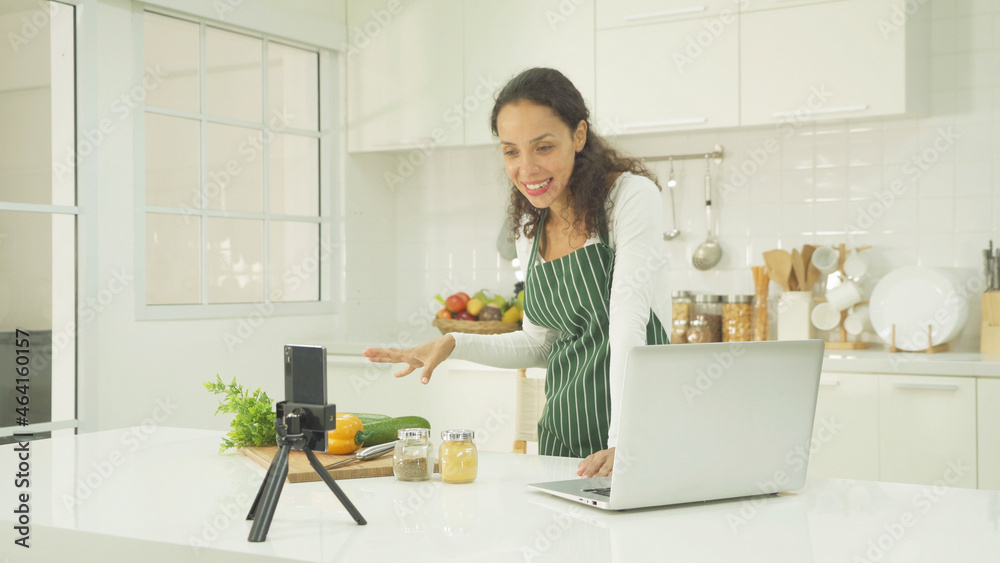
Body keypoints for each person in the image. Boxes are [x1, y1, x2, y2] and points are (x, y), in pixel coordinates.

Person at [364, 67, 671, 478]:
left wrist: (624, 440)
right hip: (561, 444)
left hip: (634, 443)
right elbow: (539, 343)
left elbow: (628, 322)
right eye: (511, 151)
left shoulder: (630, 197)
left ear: (579, 135)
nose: (526, 168)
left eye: (543, 147)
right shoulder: (531, 228)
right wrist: (455, 341)